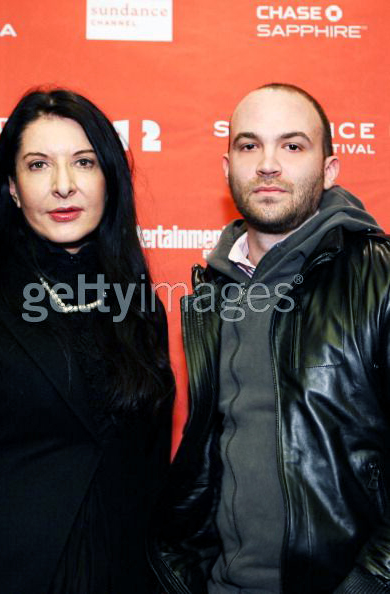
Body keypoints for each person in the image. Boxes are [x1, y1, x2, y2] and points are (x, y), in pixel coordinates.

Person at [0, 88, 175, 594]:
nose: (64, 186)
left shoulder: (138, 299)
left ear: (109, 178)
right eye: (39, 165)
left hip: (117, 572)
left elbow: (148, 468)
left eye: (83, 163)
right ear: (13, 188)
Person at [149, 83, 390, 594]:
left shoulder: (381, 281)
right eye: (249, 145)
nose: (268, 164)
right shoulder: (214, 291)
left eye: (293, 145)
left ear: (329, 169)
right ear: (227, 166)